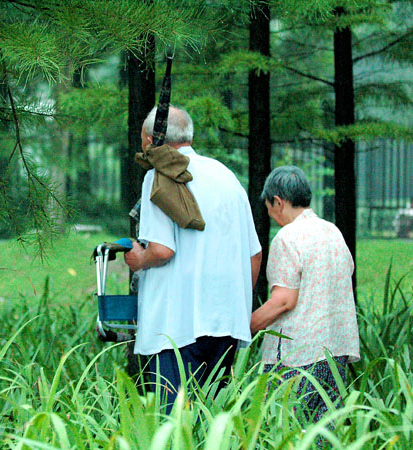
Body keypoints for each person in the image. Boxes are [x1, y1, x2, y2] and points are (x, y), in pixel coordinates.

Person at [124, 106, 262, 413]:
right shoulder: (226, 177)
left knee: (177, 428)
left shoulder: (160, 176)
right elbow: (254, 255)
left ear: (150, 139)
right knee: (212, 420)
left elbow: (161, 251)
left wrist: (137, 259)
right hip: (225, 323)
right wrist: (238, 306)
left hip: (177, 326)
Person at [251, 165, 360, 423]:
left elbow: (284, 300)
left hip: (297, 356)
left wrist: (248, 324)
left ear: (278, 202)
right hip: (335, 351)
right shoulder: (333, 232)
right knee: (323, 433)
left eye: (270, 210)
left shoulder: (287, 237)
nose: (273, 217)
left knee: (288, 432)